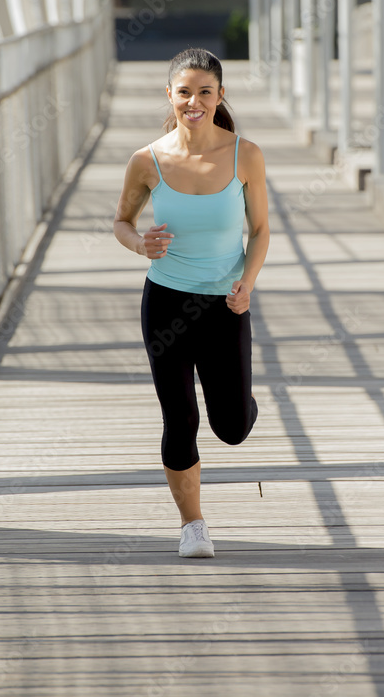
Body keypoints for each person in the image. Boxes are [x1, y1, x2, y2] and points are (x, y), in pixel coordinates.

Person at [113, 48, 269, 558]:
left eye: (205, 92)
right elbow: (122, 221)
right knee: (179, 417)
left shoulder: (246, 154)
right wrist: (140, 244)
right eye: (185, 92)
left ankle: (244, 406)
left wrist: (247, 282)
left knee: (231, 428)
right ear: (170, 96)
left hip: (226, 305)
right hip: (167, 303)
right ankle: (193, 525)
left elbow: (262, 229)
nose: (194, 101)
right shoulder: (147, 160)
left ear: (221, 96)